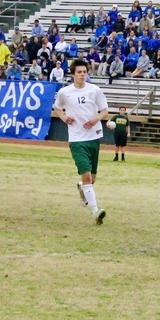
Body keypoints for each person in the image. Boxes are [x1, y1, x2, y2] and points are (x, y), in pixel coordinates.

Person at [53, 59, 108, 225]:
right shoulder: (65, 92)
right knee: (86, 176)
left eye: (84, 72)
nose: (82, 75)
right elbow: (56, 108)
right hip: (77, 139)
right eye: (79, 72)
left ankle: (81, 187)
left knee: (92, 179)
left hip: (94, 136)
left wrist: (96, 118)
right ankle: (96, 212)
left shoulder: (95, 90)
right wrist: (63, 117)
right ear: (73, 74)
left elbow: (105, 110)